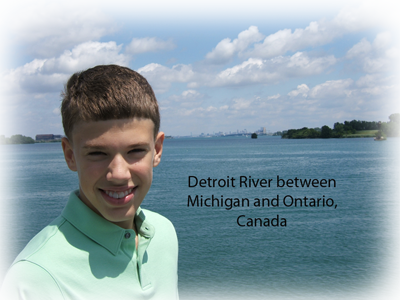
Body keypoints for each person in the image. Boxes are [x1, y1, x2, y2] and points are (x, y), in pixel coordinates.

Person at [0, 65, 179, 300]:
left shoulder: (164, 233)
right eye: (97, 153)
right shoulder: (34, 280)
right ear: (70, 155)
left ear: (156, 150)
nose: (119, 174)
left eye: (135, 150)